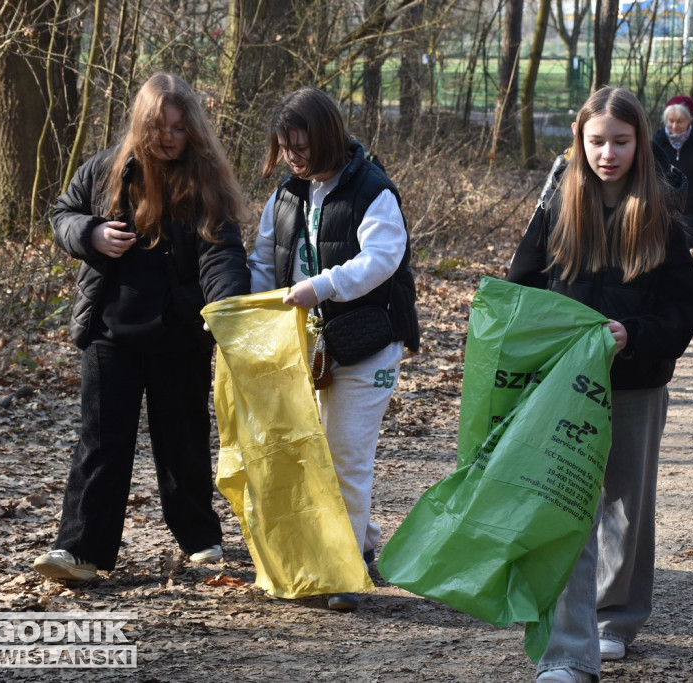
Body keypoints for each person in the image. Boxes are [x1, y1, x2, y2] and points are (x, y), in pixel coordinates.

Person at [507, 86, 693, 683]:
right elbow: (522, 287)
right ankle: (568, 652)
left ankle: (615, 618)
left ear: (640, 142)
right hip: (565, 386)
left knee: (625, 505)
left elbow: (683, 307)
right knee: (568, 507)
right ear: (579, 140)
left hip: (636, 384)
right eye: (596, 141)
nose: (608, 154)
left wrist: (634, 335)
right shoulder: (557, 208)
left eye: (621, 141)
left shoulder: (661, 215)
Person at [34, 73, 251, 583]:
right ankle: (79, 552)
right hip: (110, 333)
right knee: (102, 440)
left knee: (184, 440)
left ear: (192, 129)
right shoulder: (107, 170)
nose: (169, 136)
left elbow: (223, 256)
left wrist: (229, 311)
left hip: (180, 335)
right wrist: (88, 233)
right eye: (159, 126)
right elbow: (61, 214)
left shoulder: (206, 181)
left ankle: (201, 539)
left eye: (179, 127)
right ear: (142, 124)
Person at [248, 86, 419, 612]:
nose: (293, 157)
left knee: (345, 454)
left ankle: (343, 569)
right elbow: (261, 260)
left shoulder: (373, 190)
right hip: (305, 347)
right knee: (315, 450)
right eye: (285, 147)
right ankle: (361, 543)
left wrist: (320, 286)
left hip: (367, 345)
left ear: (327, 137)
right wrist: (248, 314)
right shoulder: (285, 196)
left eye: (301, 146)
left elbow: (382, 259)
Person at [652, 94, 693, 247]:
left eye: (680, 122)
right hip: (661, 210)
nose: (674, 126)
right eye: (671, 121)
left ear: (690, 120)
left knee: (682, 254)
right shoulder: (657, 142)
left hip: (691, 211)